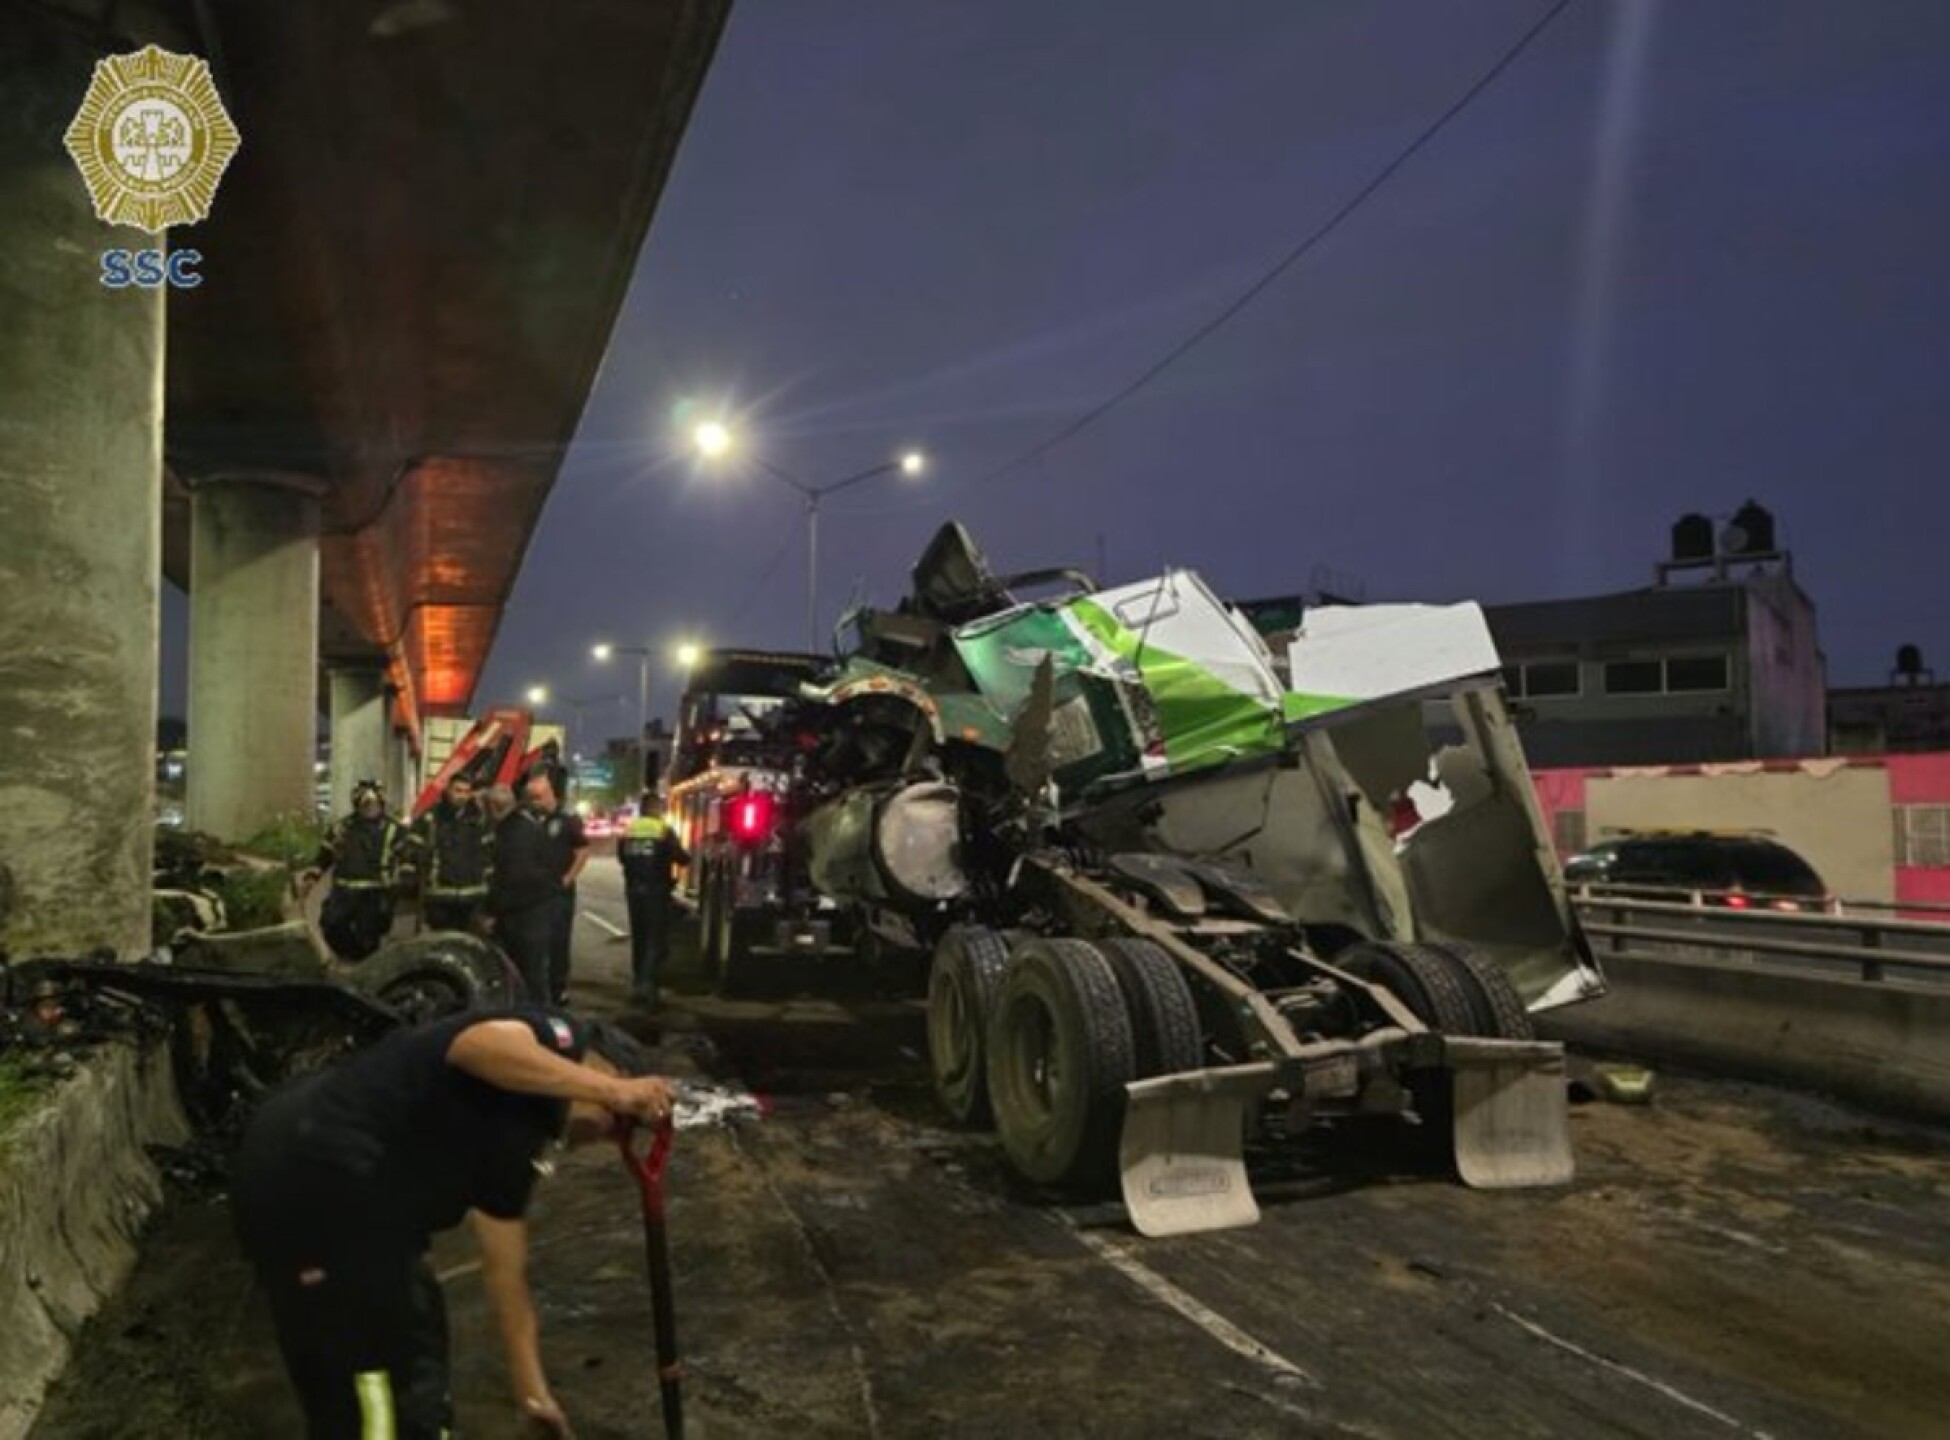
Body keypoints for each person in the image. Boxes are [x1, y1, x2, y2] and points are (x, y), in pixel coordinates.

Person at [231, 1006, 673, 1439]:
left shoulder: (519, 1142)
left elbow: (506, 1270)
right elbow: (475, 1044)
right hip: (333, 1169)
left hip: (289, 1175)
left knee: (345, 1374)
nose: (609, 1137)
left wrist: (532, 1391)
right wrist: (612, 1092)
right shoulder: (556, 1035)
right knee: (399, 1381)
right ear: (605, 1067)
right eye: (617, 1125)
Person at [308, 781, 407, 961]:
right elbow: (325, 854)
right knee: (331, 924)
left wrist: (407, 878)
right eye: (365, 804)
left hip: (376, 891)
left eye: (374, 804)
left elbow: (408, 855)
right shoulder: (342, 827)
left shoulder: (395, 830)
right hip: (344, 890)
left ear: (382, 804)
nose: (370, 808)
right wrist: (313, 875)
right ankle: (351, 958)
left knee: (368, 936)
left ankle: (366, 967)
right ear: (357, 805)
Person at [486, 781, 564, 1002]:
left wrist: (492, 911)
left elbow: (513, 877)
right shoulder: (524, 825)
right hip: (533, 908)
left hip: (525, 915)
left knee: (529, 976)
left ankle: (539, 1025)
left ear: (493, 808)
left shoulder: (513, 832)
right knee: (532, 975)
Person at [616, 792, 689, 1006]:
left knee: (639, 938)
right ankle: (647, 986)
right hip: (656, 891)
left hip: (633, 891)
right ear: (657, 809)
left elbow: (622, 858)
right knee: (654, 941)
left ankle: (638, 981)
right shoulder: (663, 831)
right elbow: (680, 858)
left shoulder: (629, 830)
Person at [526, 774, 589, 1005]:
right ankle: (535, 990)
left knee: (558, 943)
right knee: (534, 942)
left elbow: (582, 851)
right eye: (531, 797)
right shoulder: (531, 820)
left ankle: (558, 988)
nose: (534, 802)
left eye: (538, 797)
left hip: (558, 894)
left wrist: (568, 878)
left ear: (550, 793)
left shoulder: (567, 820)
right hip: (534, 892)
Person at [409, 774, 493, 933]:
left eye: (466, 792)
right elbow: (413, 844)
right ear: (448, 790)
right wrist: (418, 860)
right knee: (441, 940)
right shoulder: (432, 817)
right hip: (439, 894)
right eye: (458, 791)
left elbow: (490, 853)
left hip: (472, 895)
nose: (462, 796)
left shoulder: (479, 820)